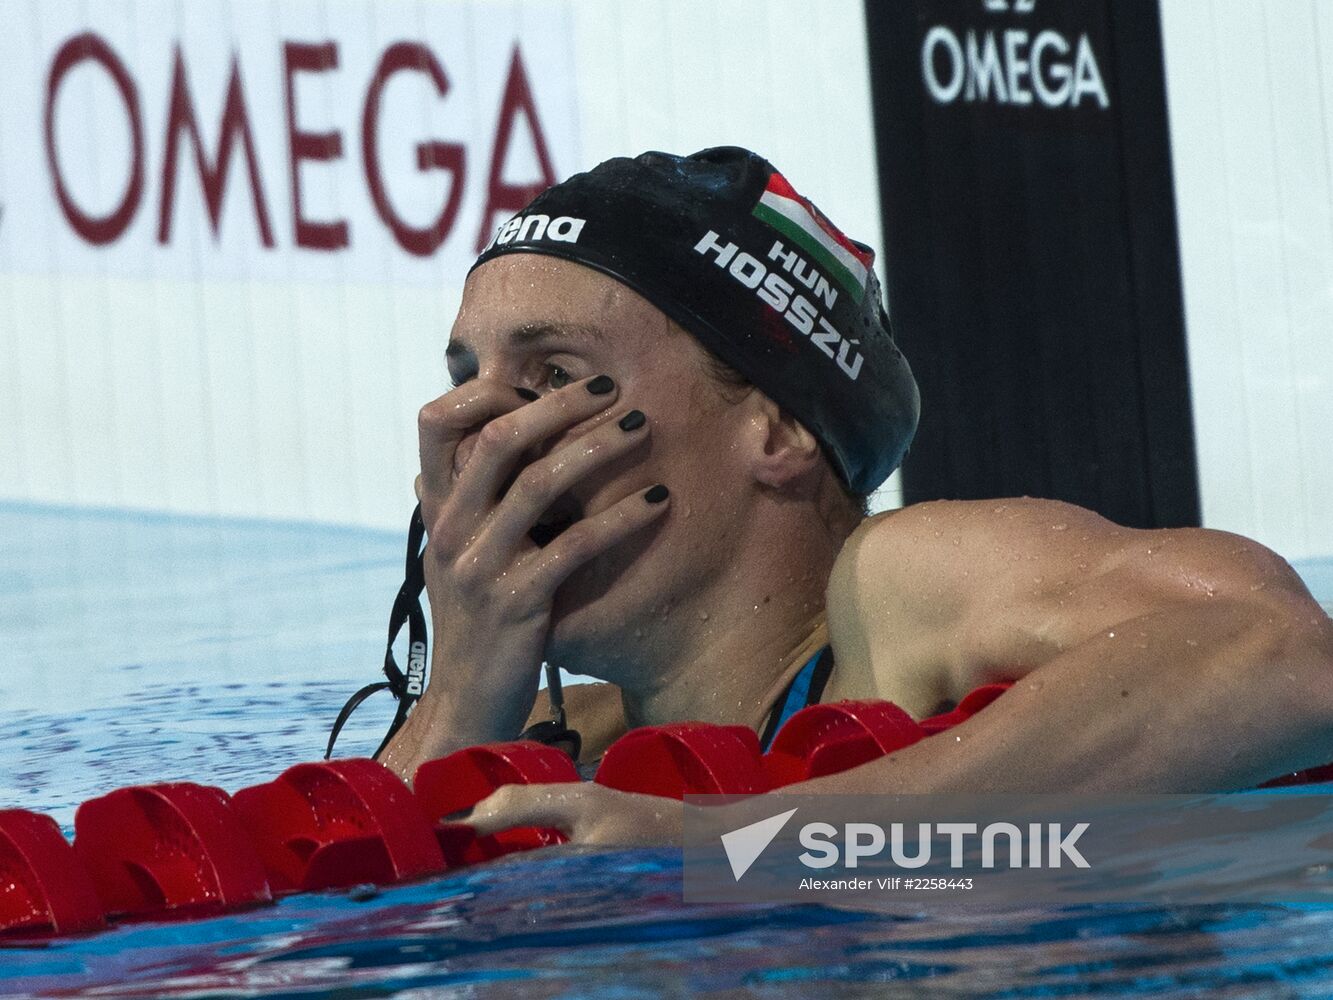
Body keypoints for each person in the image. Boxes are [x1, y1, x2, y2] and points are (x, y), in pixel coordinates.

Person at [378, 147, 1333, 845]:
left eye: (553, 375)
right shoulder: (576, 741)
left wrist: (747, 846)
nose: (483, 430)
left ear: (779, 429)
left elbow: (1285, 654)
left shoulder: (895, 609)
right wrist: (460, 702)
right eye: (467, 377)